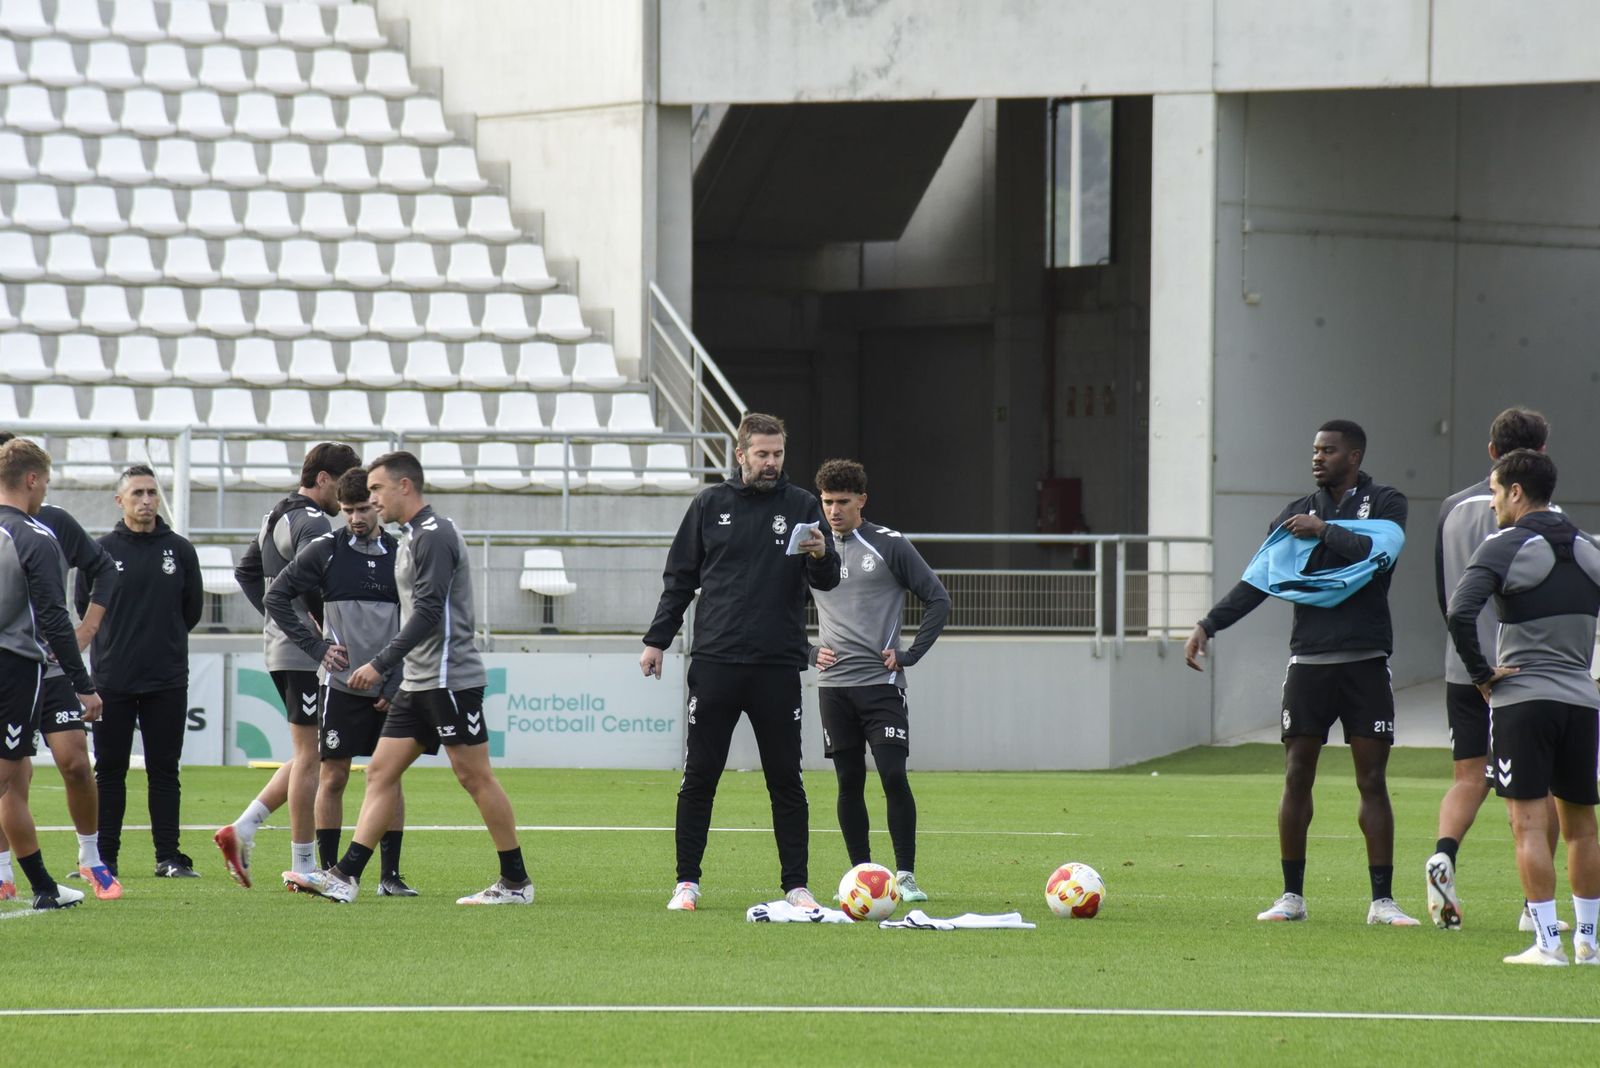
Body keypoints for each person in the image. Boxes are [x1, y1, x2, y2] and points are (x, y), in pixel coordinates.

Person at [1184, 420, 1419, 926]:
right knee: (1296, 776)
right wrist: (1208, 625)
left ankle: (1383, 901)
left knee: (1372, 780)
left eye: (1328, 451)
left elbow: (1380, 555)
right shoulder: (1293, 515)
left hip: (1366, 660)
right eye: (1314, 450)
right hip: (1309, 661)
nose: (1317, 458)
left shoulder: (1386, 503)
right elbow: (1258, 581)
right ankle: (1292, 897)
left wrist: (1326, 532)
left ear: (1353, 456)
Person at [285, 451, 531, 905]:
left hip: (447, 677)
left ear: (404, 487)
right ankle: (345, 875)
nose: (371, 500)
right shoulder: (413, 536)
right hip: (420, 681)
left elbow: (429, 612)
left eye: (376, 490)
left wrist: (380, 664)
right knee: (379, 772)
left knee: (474, 777)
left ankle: (515, 883)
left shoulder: (433, 536)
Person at [641, 412, 841, 912]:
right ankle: (687, 882)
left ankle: (796, 885)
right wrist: (656, 641)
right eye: (762, 454)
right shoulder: (710, 504)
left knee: (786, 780)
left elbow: (830, 580)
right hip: (716, 662)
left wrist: (819, 555)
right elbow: (680, 578)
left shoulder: (801, 506)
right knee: (699, 776)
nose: (771, 463)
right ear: (740, 454)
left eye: (777, 454)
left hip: (777, 666)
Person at [1446, 449, 1600, 966]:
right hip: (1582, 701)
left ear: (1516, 492)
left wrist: (1480, 673)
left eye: (1493, 491)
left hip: (1522, 701)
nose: (1490, 503)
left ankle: (1547, 945)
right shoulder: (1588, 546)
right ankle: (1589, 943)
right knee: (1583, 827)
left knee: (1529, 827)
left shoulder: (1504, 544)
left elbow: (1460, 610)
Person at [1427, 407, 1559, 931]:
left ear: (1490, 452)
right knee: (1537, 787)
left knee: (1468, 776)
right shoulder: (1546, 514)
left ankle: (1443, 854)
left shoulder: (1452, 508)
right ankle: (1535, 907)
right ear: (1542, 455)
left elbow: (1447, 593)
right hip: (1520, 667)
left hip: (1464, 664)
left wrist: (1469, 656)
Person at [259, 468, 413, 896]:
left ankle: (391, 875)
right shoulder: (326, 548)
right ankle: (329, 871)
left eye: (364, 508)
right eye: (347, 510)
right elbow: (276, 596)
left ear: (377, 506)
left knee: (389, 777)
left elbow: (416, 620)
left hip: (387, 685)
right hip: (341, 683)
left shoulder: (400, 553)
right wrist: (316, 647)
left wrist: (394, 678)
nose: (356, 518)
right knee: (334, 775)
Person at [809, 459, 949, 903]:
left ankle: (905, 876)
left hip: (881, 685)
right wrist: (808, 651)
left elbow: (938, 600)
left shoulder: (888, 544)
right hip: (834, 688)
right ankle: (862, 876)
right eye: (827, 502)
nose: (833, 511)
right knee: (849, 781)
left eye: (842, 502)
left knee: (892, 775)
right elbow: (777, 605)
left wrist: (909, 655)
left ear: (861, 501)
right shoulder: (810, 546)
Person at [229, 442, 361, 879]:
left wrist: (278, 618)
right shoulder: (311, 522)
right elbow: (321, 582)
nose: (346, 501)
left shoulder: (276, 514)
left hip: (286, 645)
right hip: (305, 652)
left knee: (314, 751)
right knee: (311, 756)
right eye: (342, 486)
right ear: (323, 479)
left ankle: (244, 827)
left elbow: (247, 572)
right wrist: (314, 633)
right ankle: (303, 866)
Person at [0, 431, 120, 901]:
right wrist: (84, 683)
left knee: (68, 763)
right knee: (10, 773)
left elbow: (103, 569)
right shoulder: (33, 535)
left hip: (35, 666)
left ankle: (75, 868)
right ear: (32, 479)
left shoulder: (51, 526)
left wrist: (86, 632)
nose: (46, 490)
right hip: (20, 665)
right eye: (46, 482)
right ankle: (17, 874)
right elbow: (50, 614)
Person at [74, 464, 203, 878]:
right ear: (120, 501)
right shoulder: (100, 551)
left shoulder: (180, 550)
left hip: (166, 679)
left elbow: (192, 610)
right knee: (109, 770)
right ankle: (104, 858)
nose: (147, 500)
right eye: (137, 494)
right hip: (113, 680)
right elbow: (84, 609)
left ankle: (168, 856)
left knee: (164, 769)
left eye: (151, 493)